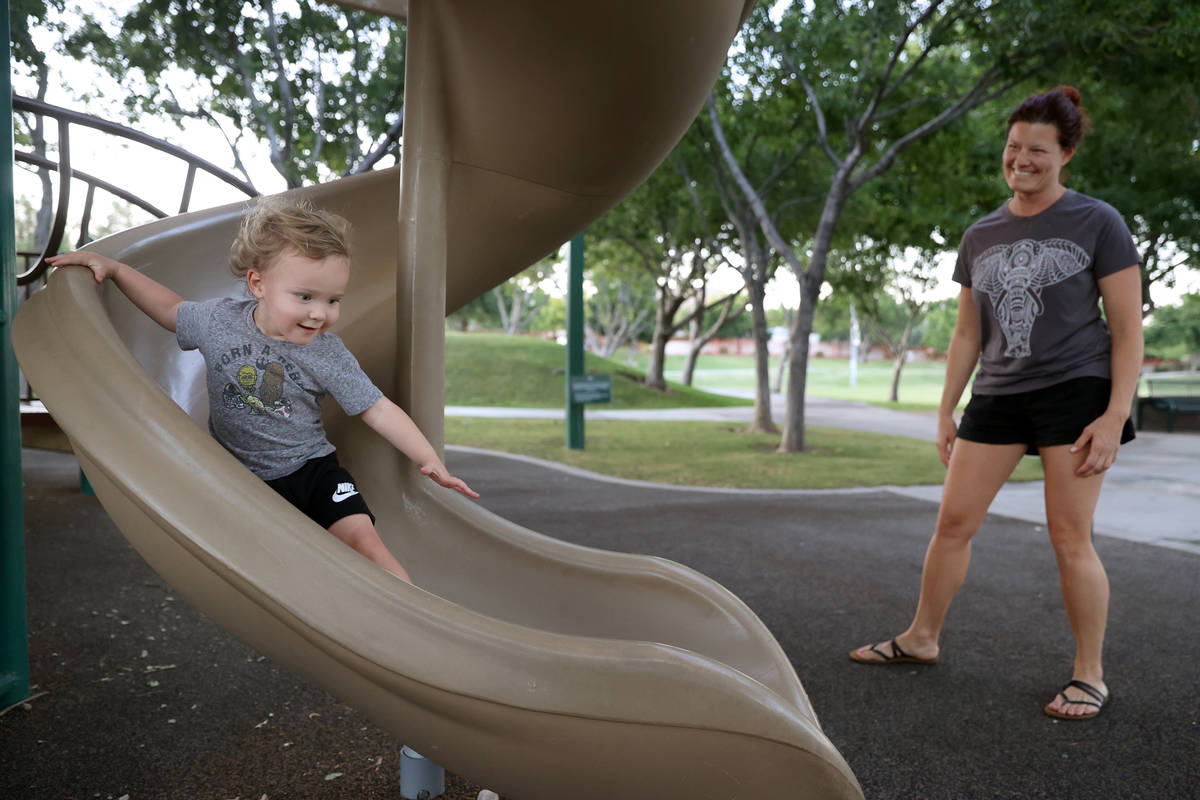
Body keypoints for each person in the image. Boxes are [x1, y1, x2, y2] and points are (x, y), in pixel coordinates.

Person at [848, 86, 1142, 721]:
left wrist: (1115, 415)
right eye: (1014, 147)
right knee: (952, 522)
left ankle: (1089, 674)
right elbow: (967, 334)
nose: (1022, 160)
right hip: (999, 394)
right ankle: (921, 637)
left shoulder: (1099, 223)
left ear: (1065, 154)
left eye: (1038, 149)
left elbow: (1127, 331)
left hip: (1076, 391)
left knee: (1069, 535)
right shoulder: (980, 235)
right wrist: (945, 407)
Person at [47, 200, 478, 585]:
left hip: (313, 471)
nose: (319, 313)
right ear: (258, 284)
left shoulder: (328, 354)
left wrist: (428, 459)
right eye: (305, 296)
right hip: (243, 480)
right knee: (274, 569)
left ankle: (411, 621)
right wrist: (117, 269)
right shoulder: (218, 322)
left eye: (333, 300)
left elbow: (377, 409)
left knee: (365, 541)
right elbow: (168, 308)